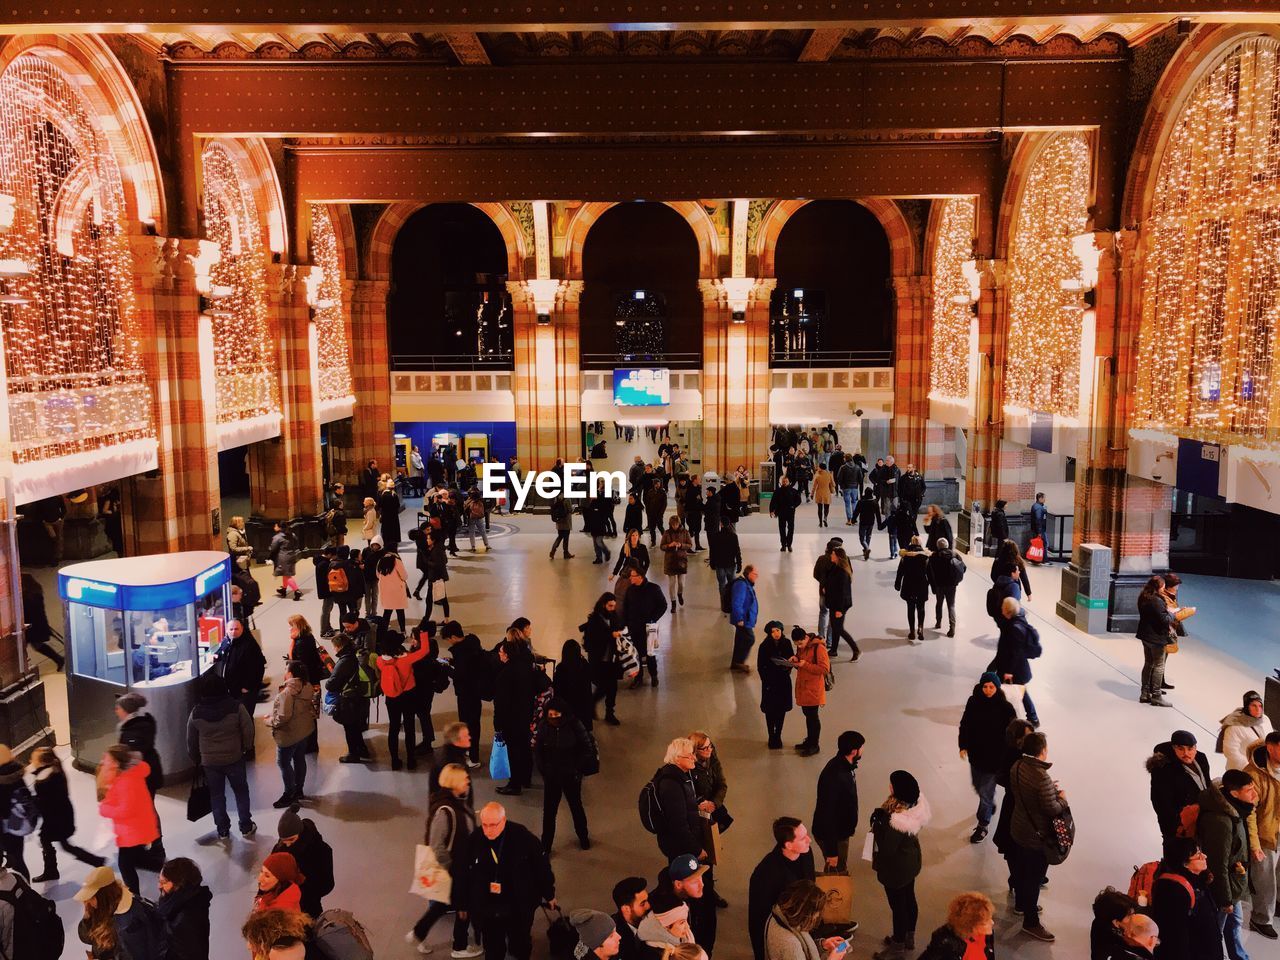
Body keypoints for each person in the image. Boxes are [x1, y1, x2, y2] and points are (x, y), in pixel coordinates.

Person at [459, 802, 556, 960]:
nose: (488, 830)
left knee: (520, 944)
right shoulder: (475, 839)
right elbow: (462, 872)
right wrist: (462, 902)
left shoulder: (523, 838)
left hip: (517, 905)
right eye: (484, 825)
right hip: (488, 908)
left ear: (503, 820)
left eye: (493, 825)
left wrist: (549, 894)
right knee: (492, 948)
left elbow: (542, 867)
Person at [407, 763, 483, 957]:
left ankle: (418, 932)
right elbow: (437, 845)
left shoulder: (454, 803)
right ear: (455, 782)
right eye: (465, 779)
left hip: (457, 867)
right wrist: (452, 867)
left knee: (442, 904)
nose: (468, 782)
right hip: (455, 868)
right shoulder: (446, 810)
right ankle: (459, 947)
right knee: (464, 904)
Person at [1008, 731, 1067, 943]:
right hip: (1037, 836)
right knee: (1033, 878)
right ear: (1042, 751)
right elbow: (1051, 809)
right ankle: (1030, 922)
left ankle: (1022, 904)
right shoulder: (1042, 777)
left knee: (1022, 869)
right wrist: (1062, 799)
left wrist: (1048, 791)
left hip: (1019, 828)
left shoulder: (1017, 766)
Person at [186, 672, 256, 842]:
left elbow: (191, 739)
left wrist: (196, 757)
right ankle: (246, 826)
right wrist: (246, 748)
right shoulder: (236, 707)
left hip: (210, 762)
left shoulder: (196, 712)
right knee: (241, 791)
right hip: (234, 757)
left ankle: (223, 829)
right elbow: (248, 729)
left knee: (216, 795)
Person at [1197, 768, 1256, 960]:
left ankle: (1239, 957)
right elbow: (1217, 863)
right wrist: (1225, 900)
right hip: (1223, 888)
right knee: (1215, 931)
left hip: (1232, 885)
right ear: (1234, 793)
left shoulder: (1236, 811)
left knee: (1235, 922)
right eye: (1249, 790)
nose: (1255, 794)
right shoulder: (1221, 820)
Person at [869, 770, 930, 958]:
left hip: (896, 870)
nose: (889, 786)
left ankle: (897, 945)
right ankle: (908, 937)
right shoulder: (915, 805)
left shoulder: (896, 822)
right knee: (909, 899)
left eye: (892, 784)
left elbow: (887, 850)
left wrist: (877, 825)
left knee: (898, 907)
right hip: (911, 862)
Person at [27, 746, 104, 882]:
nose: (30, 760)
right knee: (59, 843)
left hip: (56, 819)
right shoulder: (54, 771)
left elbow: (47, 802)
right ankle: (95, 860)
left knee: (53, 841)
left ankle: (53, 870)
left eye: (33, 758)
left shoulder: (45, 778)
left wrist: (33, 802)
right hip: (61, 815)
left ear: (42, 761)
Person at [96, 744, 161, 894]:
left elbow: (126, 809)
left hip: (132, 830)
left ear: (117, 763)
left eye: (107, 759)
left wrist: (105, 809)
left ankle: (134, 897)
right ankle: (168, 870)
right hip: (136, 827)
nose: (104, 762)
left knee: (125, 864)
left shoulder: (126, 781)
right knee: (140, 859)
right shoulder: (128, 776)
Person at [747, 818, 817, 960]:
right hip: (782, 926)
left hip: (802, 921)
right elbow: (759, 918)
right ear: (788, 845)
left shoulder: (806, 853)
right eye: (803, 838)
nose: (809, 840)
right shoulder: (766, 873)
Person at [76, 866, 173, 959]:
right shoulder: (106, 906)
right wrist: (87, 918)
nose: (87, 901)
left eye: (91, 897)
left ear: (104, 895)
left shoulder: (130, 922)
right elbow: (86, 938)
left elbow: (137, 955)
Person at [1148, 837, 1221, 960]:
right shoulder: (1173, 890)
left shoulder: (1198, 880)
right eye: (1198, 855)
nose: (1205, 856)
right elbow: (1175, 938)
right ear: (1184, 863)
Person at [536, 697, 593, 853]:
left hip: (571, 776)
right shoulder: (544, 727)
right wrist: (544, 770)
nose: (553, 718)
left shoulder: (574, 725)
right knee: (549, 812)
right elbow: (539, 751)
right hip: (552, 776)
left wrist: (576, 770)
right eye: (550, 715)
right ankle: (546, 845)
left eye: (556, 715)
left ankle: (583, 836)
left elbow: (587, 748)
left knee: (576, 807)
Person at [374, 631, 433, 770]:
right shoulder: (407, 659)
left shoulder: (380, 660)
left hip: (392, 697)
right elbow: (425, 650)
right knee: (409, 727)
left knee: (393, 728)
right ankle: (411, 760)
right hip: (408, 696)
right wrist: (423, 632)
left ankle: (395, 760)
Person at [1244, 731, 1280, 939]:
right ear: (1270, 747)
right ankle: (1260, 918)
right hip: (1265, 834)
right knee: (1264, 879)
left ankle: (1277, 905)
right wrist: (1255, 845)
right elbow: (1250, 814)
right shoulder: (1253, 774)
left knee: (1277, 875)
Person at [812, 730, 865, 872]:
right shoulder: (836, 777)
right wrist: (832, 851)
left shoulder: (844, 765)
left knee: (837, 867)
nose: (863, 750)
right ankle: (834, 892)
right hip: (834, 835)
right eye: (862, 747)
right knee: (837, 870)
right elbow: (828, 816)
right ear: (854, 751)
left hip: (840, 830)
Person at [494, 636, 540, 795]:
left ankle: (514, 784)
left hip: (511, 720)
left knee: (513, 751)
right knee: (525, 747)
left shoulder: (505, 674)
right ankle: (526, 778)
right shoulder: (525, 668)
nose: (499, 654)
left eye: (501, 652)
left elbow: (501, 703)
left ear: (507, 655)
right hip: (525, 715)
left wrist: (498, 724)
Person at [1147, 729, 1211, 841]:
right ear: (1173, 748)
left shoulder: (1201, 758)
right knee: (1181, 857)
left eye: (1190, 749)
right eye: (1180, 749)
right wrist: (1177, 827)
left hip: (1202, 819)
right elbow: (1161, 802)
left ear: (1196, 748)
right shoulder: (1163, 768)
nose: (1186, 753)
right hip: (1179, 827)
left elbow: (1207, 784)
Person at [272, 804, 334, 920]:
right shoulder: (280, 849)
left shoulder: (321, 850)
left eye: (291, 839)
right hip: (285, 909)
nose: (288, 844)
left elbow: (327, 885)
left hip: (308, 909)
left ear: (300, 833)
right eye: (284, 840)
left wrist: (303, 882)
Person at [268, 660, 316, 806]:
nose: (284, 672)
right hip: (303, 730)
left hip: (288, 735)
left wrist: (269, 721)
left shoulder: (286, 694)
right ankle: (299, 789)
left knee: (283, 762)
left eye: (286, 670)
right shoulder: (307, 687)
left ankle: (289, 793)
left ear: (291, 674)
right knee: (299, 759)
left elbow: (283, 717)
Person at [650, 738, 705, 862]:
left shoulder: (679, 776)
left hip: (681, 844)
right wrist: (696, 849)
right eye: (689, 755)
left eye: (693, 754)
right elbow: (678, 825)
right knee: (685, 876)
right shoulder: (671, 785)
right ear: (677, 758)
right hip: (680, 847)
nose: (694, 758)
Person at [764, 879, 848, 960]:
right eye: (816, 911)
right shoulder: (791, 945)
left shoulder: (778, 915)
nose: (818, 915)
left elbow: (803, 950)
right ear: (805, 914)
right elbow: (796, 951)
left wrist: (822, 945)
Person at [990, 597, 1041, 726]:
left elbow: (1015, 652)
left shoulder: (1014, 628)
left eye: (1003, 607)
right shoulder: (1016, 621)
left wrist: (1009, 671)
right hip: (1013, 666)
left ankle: (1031, 717)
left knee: (1019, 691)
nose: (1001, 609)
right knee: (1019, 691)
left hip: (1015, 669)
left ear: (1007, 611)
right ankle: (1030, 717)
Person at [326, 631, 372, 763]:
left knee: (350, 727)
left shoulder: (344, 661)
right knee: (356, 725)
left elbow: (330, 685)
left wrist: (332, 673)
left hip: (349, 699)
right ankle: (362, 749)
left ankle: (353, 754)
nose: (334, 649)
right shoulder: (355, 654)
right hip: (360, 696)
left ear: (339, 646)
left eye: (334, 646)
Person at [157, 857, 212, 960]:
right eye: (158, 880)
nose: (159, 886)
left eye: (163, 882)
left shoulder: (184, 920)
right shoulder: (191, 898)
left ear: (178, 884)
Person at [624, 564, 668, 688]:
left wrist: (653, 618)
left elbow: (663, 605)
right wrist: (625, 624)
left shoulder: (653, 589)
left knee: (650, 654)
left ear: (641, 576)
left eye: (633, 576)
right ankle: (638, 678)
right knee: (636, 655)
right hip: (634, 628)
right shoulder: (630, 590)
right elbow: (626, 608)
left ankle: (654, 675)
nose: (630, 579)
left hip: (649, 628)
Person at [446, 626, 486, 766]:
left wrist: (447, 669)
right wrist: (452, 663)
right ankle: (470, 752)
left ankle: (471, 756)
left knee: (467, 724)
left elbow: (460, 675)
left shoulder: (461, 653)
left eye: (448, 640)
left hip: (466, 693)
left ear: (453, 637)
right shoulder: (472, 643)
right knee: (474, 724)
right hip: (476, 691)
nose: (449, 643)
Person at [914, 892, 995, 960]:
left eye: (990, 918)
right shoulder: (946, 944)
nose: (992, 923)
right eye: (985, 922)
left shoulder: (985, 935)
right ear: (970, 926)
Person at [582, 593, 622, 726]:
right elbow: (593, 640)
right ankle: (592, 703)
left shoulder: (614, 617)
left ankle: (610, 712)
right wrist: (611, 635)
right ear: (603, 604)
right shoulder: (594, 620)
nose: (612, 608)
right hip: (599, 660)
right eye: (610, 606)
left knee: (613, 688)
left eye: (614, 606)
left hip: (612, 659)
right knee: (604, 686)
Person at [1136, 575, 1177, 708]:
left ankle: (1145, 693)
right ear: (1158, 587)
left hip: (1145, 636)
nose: (1164, 589)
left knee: (1148, 663)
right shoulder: (1156, 601)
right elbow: (1165, 619)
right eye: (1163, 587)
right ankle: (1157, 696)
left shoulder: (1143, 597)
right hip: (1156, 638)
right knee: (1159, 666)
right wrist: (1172, 613)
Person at [115, 691, 163, 796]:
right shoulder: (143, 723)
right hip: (150, 772)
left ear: (125, 711)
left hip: (142, 778)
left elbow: (134, 758)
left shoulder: (133, 730)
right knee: (147, 807)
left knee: (143, 809)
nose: (116, 711)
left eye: (118, 708)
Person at [792, 630, 830, 757]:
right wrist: (796, 659)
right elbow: (801, 660)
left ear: (806, 638)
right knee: (808, 715)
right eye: (796, 644)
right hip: (804, 686)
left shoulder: (819, 648)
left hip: (813, 689)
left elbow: (824, 669)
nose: (799, 646)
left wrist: (805, 665)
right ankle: (809, 741)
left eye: (801, 643)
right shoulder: (802, 647)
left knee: (813, 717)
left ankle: (814, 745)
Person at [757, 621, 794, 750]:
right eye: (773, 631)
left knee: (781, 710)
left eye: (778, 630)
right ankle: (771, 735)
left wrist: (787, 667)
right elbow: (760, 666)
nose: (776, 633)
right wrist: (766, 681)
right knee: (770, 711)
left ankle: (778, 735)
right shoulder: (764, 646)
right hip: (770, 684)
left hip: (783, 682)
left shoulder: (787, 643)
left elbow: (791, 660)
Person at [1218, 690, 1274, 771]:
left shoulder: (1265, 719)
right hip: (1242, 771)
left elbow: (1271, 739)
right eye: (1253, 705)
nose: (1258, 709)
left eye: (1260, 705)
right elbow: (1230, 752)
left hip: (1264, 768)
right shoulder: (1235, 726)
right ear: (1247, 706)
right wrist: (1251, 766)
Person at [612, 876, 662, 960]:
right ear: (626, 909)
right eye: (642, 904)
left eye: (647, 900)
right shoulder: (614, 937)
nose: (648, 906)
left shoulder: (655, 918)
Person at [822, 547, 859, 661]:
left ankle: (856, 649)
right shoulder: (835, 568)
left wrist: (839, 610)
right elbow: (832, 584)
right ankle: (833, 650)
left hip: (840, 605)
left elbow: (842, 593)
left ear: (838, 556)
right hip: (834, 603)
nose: (831, 556)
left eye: (833, 554)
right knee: (835, 627)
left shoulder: (843, 573)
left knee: (839, 629)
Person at [893, 536, 930, 643]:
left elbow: (900, 572)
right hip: (921, 585)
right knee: (921, 607)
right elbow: (930, 574)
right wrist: (933, 586)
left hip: (909, 585)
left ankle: (912, 632)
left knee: (910, 608)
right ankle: (921, 628)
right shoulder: (925, 557)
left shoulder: (905, 557)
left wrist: (897, 584)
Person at [925, 538, 964, 638]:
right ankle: (952, 628)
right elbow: (963, 568)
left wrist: (932, 584)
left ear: (938, 546)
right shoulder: (955, 555)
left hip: (939, 585)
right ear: (947, 545)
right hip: (951, 585)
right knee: (951, 605)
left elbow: (929, 572)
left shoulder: (934, 556)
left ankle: (938, 622)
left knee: (939, 603)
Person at [1091, 887, 1139, 960]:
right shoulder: (1108, 945)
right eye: (1129, 916)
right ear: (1116, 922)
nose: (1134, 918)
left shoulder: (1106, 918)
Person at [729, 565, 760, 672]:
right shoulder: (741, 585)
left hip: (745, 618)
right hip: (743, 620)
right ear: (748, 574)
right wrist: (739, 619)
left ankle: (736, 663)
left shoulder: (746, 584)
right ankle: (739, 661)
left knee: (740, 640)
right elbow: (737, 602)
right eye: (755, 574)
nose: (757, 576)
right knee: (749, 639)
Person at [661, 515, 693, 609]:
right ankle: (673, 602)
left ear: (679, 523)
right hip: (670, 561)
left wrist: (681, 545)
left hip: (681, 561)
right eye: (672, 524)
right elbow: (662, 546)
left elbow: (690, 544)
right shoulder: (666, 533)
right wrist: (669, 545)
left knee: (681, 583)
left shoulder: (685, 532)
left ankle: (680, 593)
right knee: (671, 584)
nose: (674, 526)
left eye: (676, 524)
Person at [269, 522, 302, 600]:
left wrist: (270, 556)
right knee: (285, 573)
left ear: (280, 528)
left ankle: (296, 591)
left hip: (283, 557)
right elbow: (296, 543)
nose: (274, 527)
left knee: (287, 576)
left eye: (275, 525)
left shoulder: (277, 537)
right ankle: (283, 589)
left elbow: (273, 548)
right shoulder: (292, 534)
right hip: (292, 556)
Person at [770, 476, 801, 552]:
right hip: (781, 512)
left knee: (791, 529)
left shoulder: (794, 491)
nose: (784, 483)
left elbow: (798, 500)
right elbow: (773, 501)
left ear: (789, 482)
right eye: (783, 481)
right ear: (781, 482)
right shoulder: (777, 491)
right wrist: (771, 511)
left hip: (790, 512)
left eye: (786, 481)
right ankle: (783, 545)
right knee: (782, 529)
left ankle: (789, 545)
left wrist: (794, 506)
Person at [853, 487, 881, 560]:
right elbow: (878, 514)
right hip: (871, 522)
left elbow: (856, 512)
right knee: (868, 536)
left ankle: (866, 548)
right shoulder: (875, 502)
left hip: (863, 522)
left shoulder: (861, 502)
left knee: (862, 538)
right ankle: (866, 551)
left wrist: (853, 520)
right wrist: (879, 524)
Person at [550, 493, 575, 559]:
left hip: (559, 521)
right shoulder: (567, 498)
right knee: (566, 538)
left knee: (560, 536)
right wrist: (573, 508)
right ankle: (566, 553)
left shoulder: (557, 497)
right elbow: (570, 510)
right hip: (566, 521)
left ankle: (552, 551)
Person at [644, 479, 668, 547]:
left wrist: (661, 513)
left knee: (660, 527)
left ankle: (665, 540)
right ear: (654, 484)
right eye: (656, 484)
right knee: (652, 529)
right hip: (651, 514)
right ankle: (653, 542)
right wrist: (648, 513)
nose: (658, 485)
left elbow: (664, 504)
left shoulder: (663, 492)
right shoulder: (650, 492)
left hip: (659, 514)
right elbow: (647, 503)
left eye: (659, 484)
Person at [812, 463, 836, 528]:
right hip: (827, 493)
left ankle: (820, 523)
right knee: (826, 507)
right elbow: (833, 484)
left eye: (818, 467)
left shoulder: (817, 475)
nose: (817, 468)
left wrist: (812, 494)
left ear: (820, 468)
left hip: (819, 493)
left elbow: (814, 486)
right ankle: (825, 518)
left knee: (819, 508)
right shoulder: (829, 474)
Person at [1029, 492, 1049, 562]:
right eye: (1044, 498)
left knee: (1037, 545)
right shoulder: (1039, 508)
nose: (1045, 500)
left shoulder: (1035, 506)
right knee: (1044, 544)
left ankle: (1036, 559)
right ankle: (1044, 560)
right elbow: (1038, 520)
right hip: (1040, 530)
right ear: (1040, 498)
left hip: (1036, 529)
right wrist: (1039, 531)